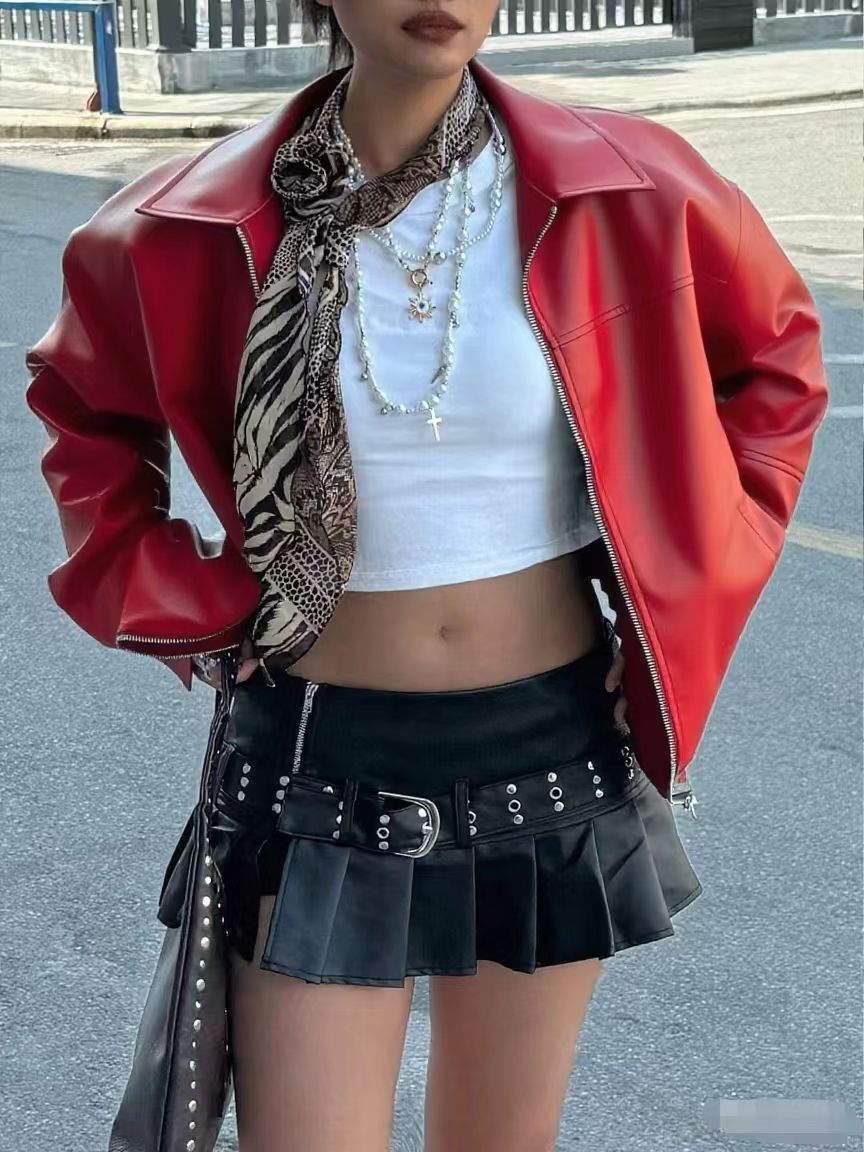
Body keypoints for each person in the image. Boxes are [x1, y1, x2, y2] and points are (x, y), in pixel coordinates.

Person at [24, 0, 828, 1144]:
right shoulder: (187, 220)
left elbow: (778, 365)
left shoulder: (632, 188)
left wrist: (679, 598)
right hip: (316, 758)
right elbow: (82, 411)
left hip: (552, 752)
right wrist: (178, 599)